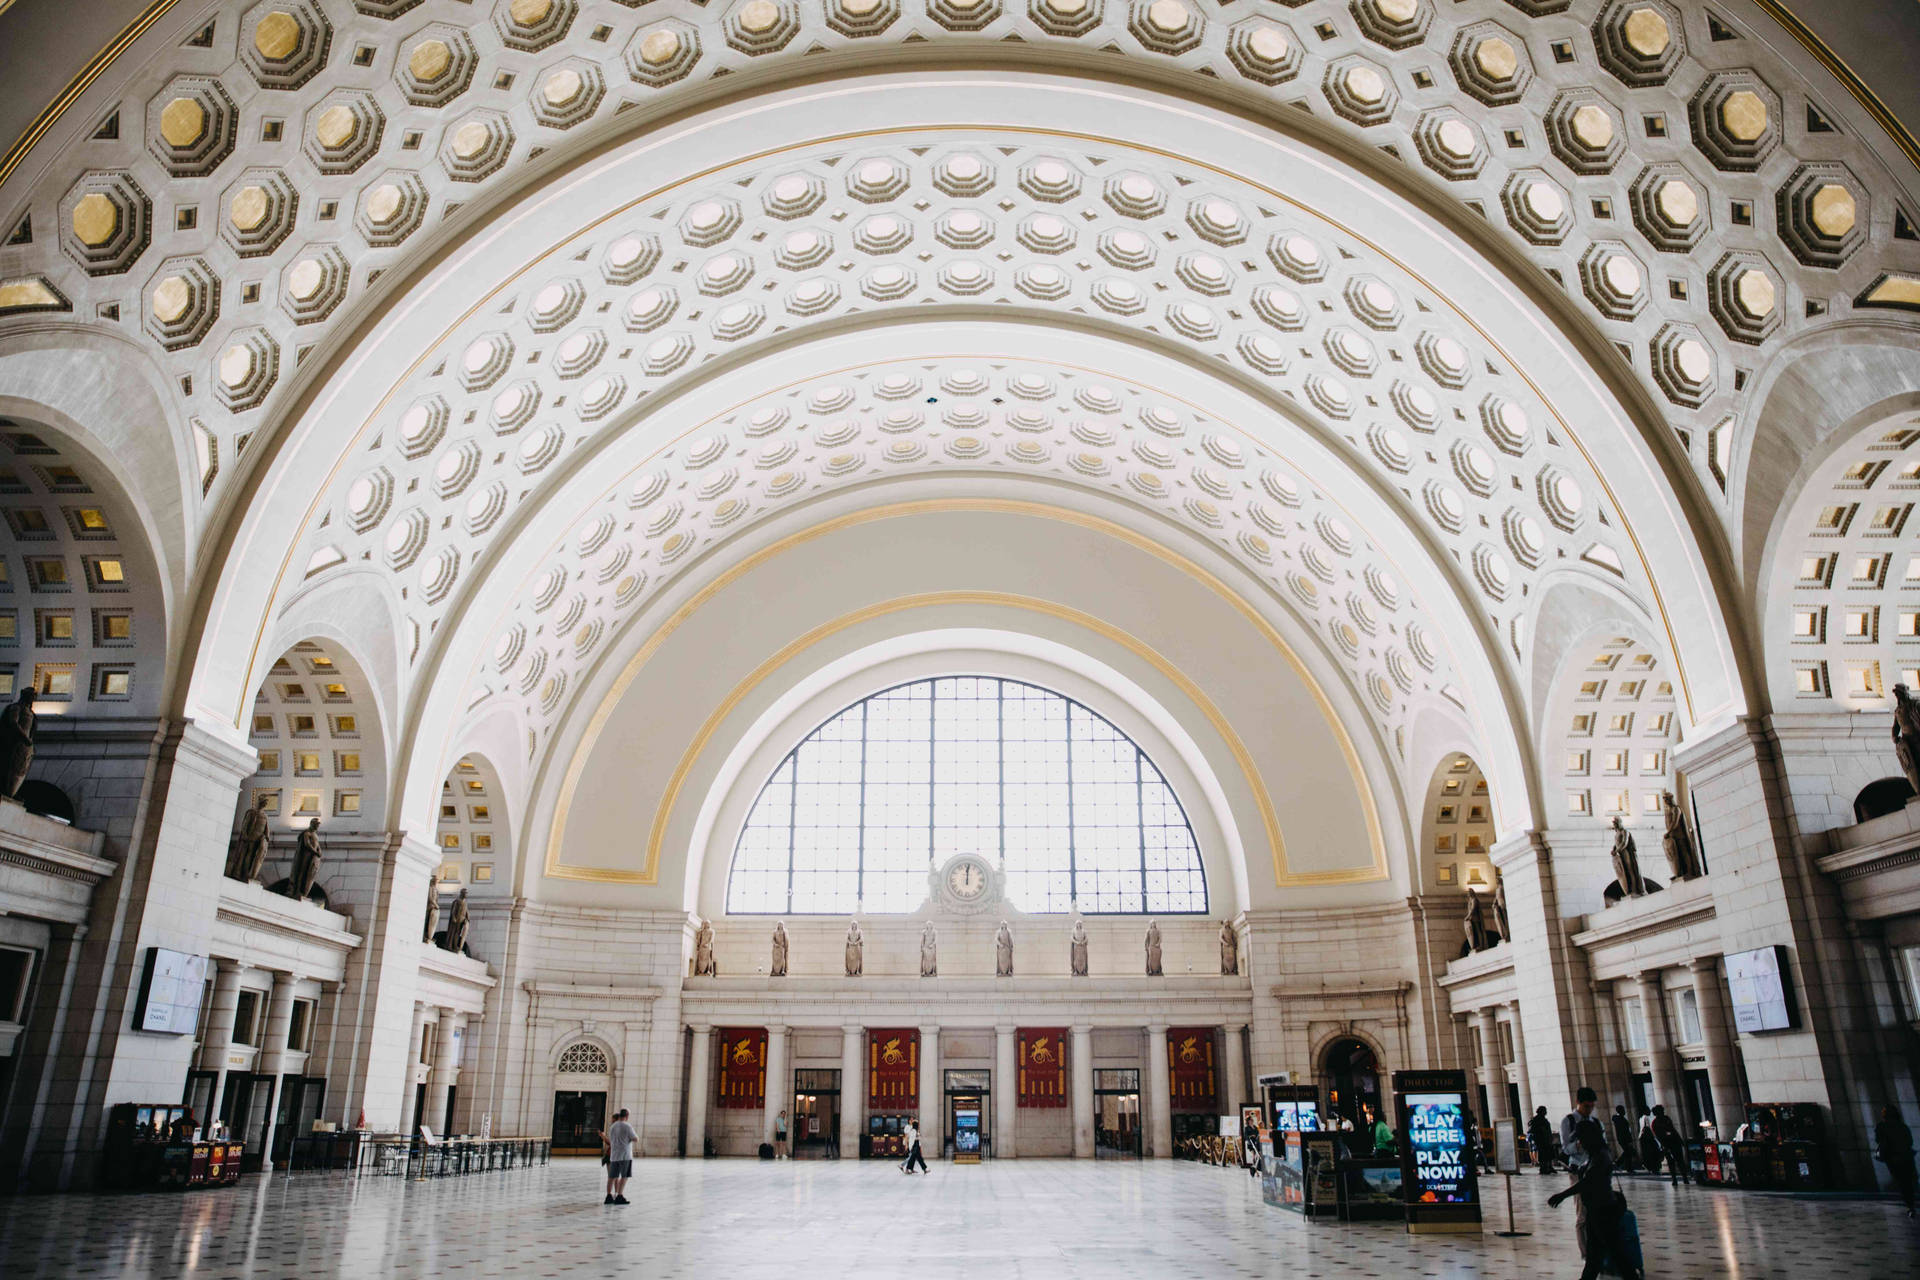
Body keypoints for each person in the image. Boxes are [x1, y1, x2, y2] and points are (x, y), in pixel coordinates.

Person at [1550, 1116, 1642, 1280]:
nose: (1580, 1143)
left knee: (1617, 1255)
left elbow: (1589, 1182)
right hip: (1595, 1211)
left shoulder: (1600, 1156)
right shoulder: (1593, 1156)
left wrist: (1562, 1195)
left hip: (1604, 1211)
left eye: (1581, 1139)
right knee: (1595, 1257)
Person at [1875, 1104, 1917, 1218]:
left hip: (1893, 1158)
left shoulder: (1881, 1126)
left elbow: (1878, 1140)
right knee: (1908, 1182)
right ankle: (1911, 1204)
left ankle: (1910, 1206)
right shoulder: (1902, 1126)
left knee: (1902, 1182)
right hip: (1906, 1157)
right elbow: (1910, 1141)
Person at [601, 1108, 637, 1205]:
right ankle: (619, 1195)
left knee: (612, 1177)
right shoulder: (627, 1126)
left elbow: (611, 1140)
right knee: (624, 1176)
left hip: (614, 1155)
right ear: (627, 1116)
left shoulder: (613, 1126)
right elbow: (635, 1138)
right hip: (625, 1155)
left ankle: (608, 1196)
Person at [1651, 1105, 1688, 1184]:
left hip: (1674, 1142)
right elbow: (1658, 1135)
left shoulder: (1666, 1118)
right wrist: (1664, 1145)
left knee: (1680, 1160)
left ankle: (1684, 1177)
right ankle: (1674, 1179)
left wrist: (1679, 1140)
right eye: (1661, 1111)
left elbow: (1672, 1129)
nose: (1663, 1112)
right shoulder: (1655, 1123)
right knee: (1671, 1162)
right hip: (1666, 1144)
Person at [1529, 1106, 1557, 1176]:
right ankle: (1543, 1168)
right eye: (1544, 1110)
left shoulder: (1544, 1119)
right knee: (1543, 1154)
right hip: (1541, 1140)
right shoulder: (1536, 1119)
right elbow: (1533, 1130)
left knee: (1549, 1153)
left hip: (1547, 1139)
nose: (1546, 1112)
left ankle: (1550, 1167)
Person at [1611, 1105, 1638, 1173]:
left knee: (1628, 1153)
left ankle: (1627, 1167)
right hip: (1624, 1139)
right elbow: (1624, 1131)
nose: (1624, 1111)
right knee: (1628, 1152)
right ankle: (1618, 1164)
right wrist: (1629, 1140)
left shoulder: (1620, 1119)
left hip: (1623, 1138)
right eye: (1623, 1110)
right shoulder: (1620, 1119)